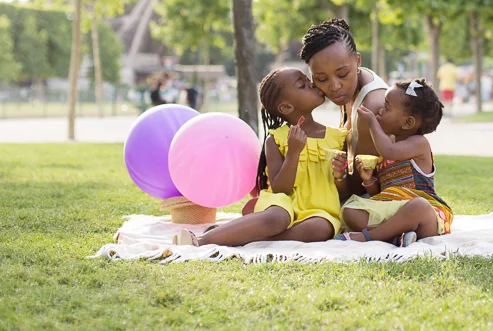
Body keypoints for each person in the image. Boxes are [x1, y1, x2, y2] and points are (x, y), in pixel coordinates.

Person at [172, 68, 348, 247]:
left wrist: (340, 175)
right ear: (286, 107)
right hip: (282, 204)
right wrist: (293, 153)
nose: (312, 84)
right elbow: (281, 189)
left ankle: (240, 234)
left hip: (319, 210)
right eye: (302, 85)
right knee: (277, 218)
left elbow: (344, 188)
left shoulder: (337, 138)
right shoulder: (277, 139)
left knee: (320, 229)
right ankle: (201, 241)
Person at [337, 78, 451, 245]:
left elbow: (389, 150)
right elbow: (381, 192)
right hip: (389, 208)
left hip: (422, 217)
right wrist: (369, 180)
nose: (380, 111)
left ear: (407, 123)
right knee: (349, 210)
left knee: (419, 206)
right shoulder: (386, 148)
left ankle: (370, 236)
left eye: (387, 108)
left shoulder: (418, 144)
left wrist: (371, 123)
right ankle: (396, 237)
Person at [299, 18, 388, 187]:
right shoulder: (351, 87)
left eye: (343, 74)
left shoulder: (371, 107)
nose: (334, 86)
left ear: (357, 61)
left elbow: (356, 186)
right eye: (321, 78)